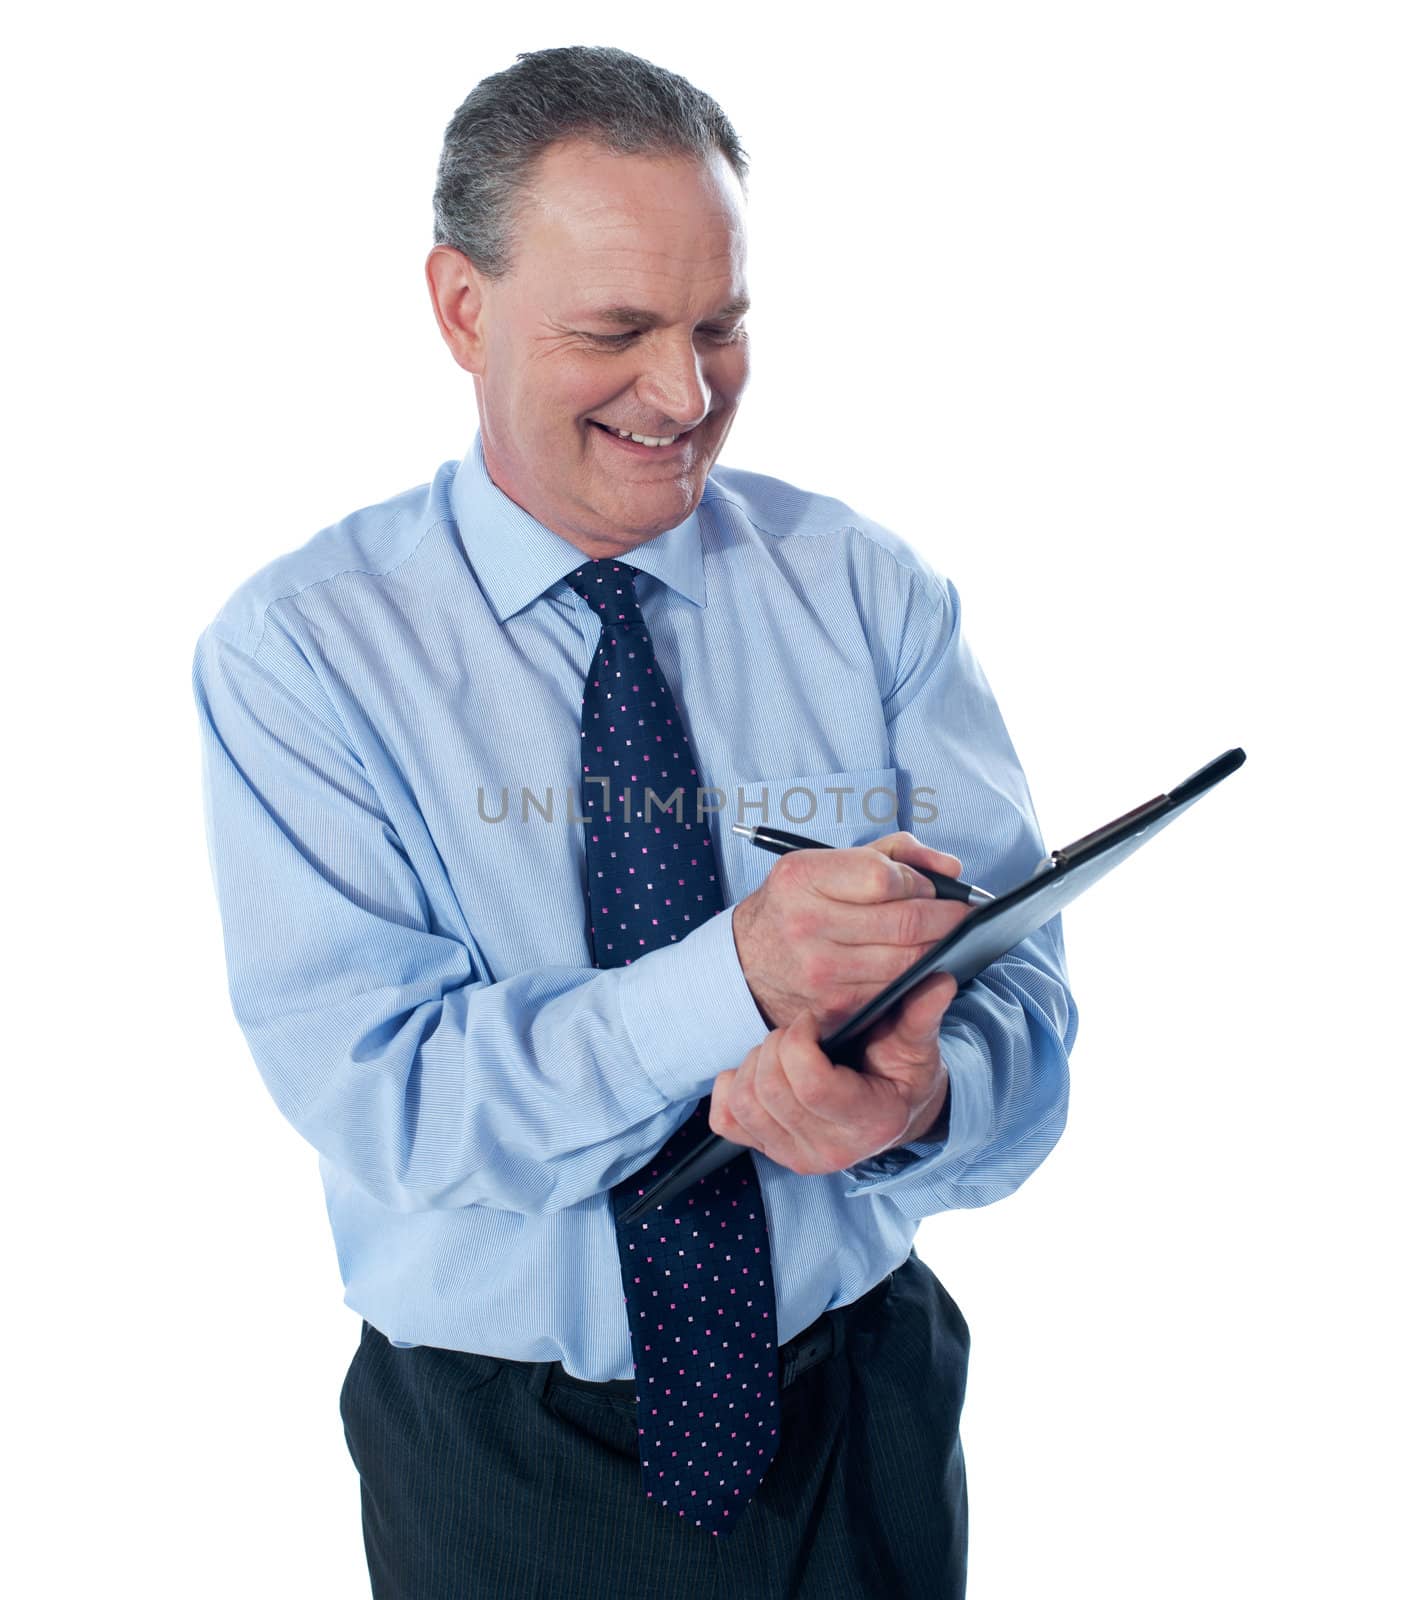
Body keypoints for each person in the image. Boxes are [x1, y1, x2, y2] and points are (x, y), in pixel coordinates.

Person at [191, 44, 1077, 1600]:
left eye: (719, 328)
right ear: (462, 309)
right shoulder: (302, 655)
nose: (684, 396)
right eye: (617, 331)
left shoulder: (865, 590)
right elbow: (396, 1105)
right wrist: (735, 974)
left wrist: (922, 1107)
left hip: (860, 1415)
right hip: (503, 1462)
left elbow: (1026, 1001)